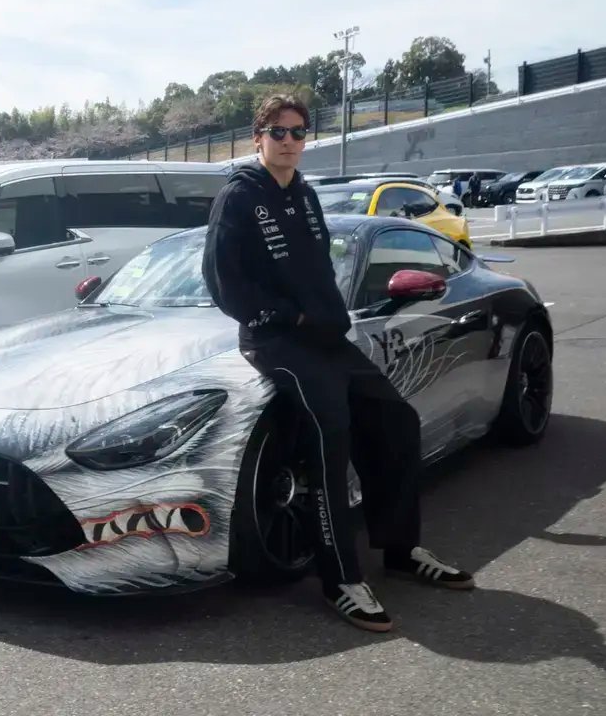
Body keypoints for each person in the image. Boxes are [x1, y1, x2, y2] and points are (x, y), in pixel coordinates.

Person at [201, 94, 475, 633]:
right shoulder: (238, 196)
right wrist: (292, 317)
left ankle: (401, 550)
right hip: (274, 342)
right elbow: (222, 281)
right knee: (331, 432)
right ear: (258, 138)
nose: (289, 142)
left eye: (298, 133)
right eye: (278, 132)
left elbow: (318, 268)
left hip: (326, 338)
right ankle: (340, 579)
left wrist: (324, 316)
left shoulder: (304, 194)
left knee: (396, 420)